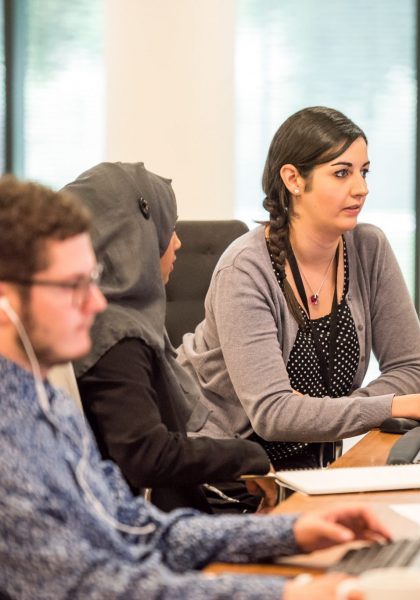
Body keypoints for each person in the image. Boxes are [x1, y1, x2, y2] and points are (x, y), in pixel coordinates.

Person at [0, 175, 389, 599]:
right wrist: (281, 593)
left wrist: (288, 532)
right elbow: (97, 588)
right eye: (73, 285)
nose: (96, 302)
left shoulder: (42, 401)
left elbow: (136, 527)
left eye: (91, 280)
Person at [177, 106, 420, 469]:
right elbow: (273, 414)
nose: (361, 189)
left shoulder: (368, 248)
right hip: (231, 474)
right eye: (341, 173)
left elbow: (410, 369)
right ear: (293, 180)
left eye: (364, 172)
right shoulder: (245, 270)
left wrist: (324, 412)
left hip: (313, 468)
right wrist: (389, 405)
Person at [65, 162, 273, 514]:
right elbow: (146, 456)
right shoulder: (116, 336)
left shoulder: (110, 321)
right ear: (133, 237)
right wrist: (248, 457)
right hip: (155, 530)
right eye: (168, 228)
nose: (177, 242)